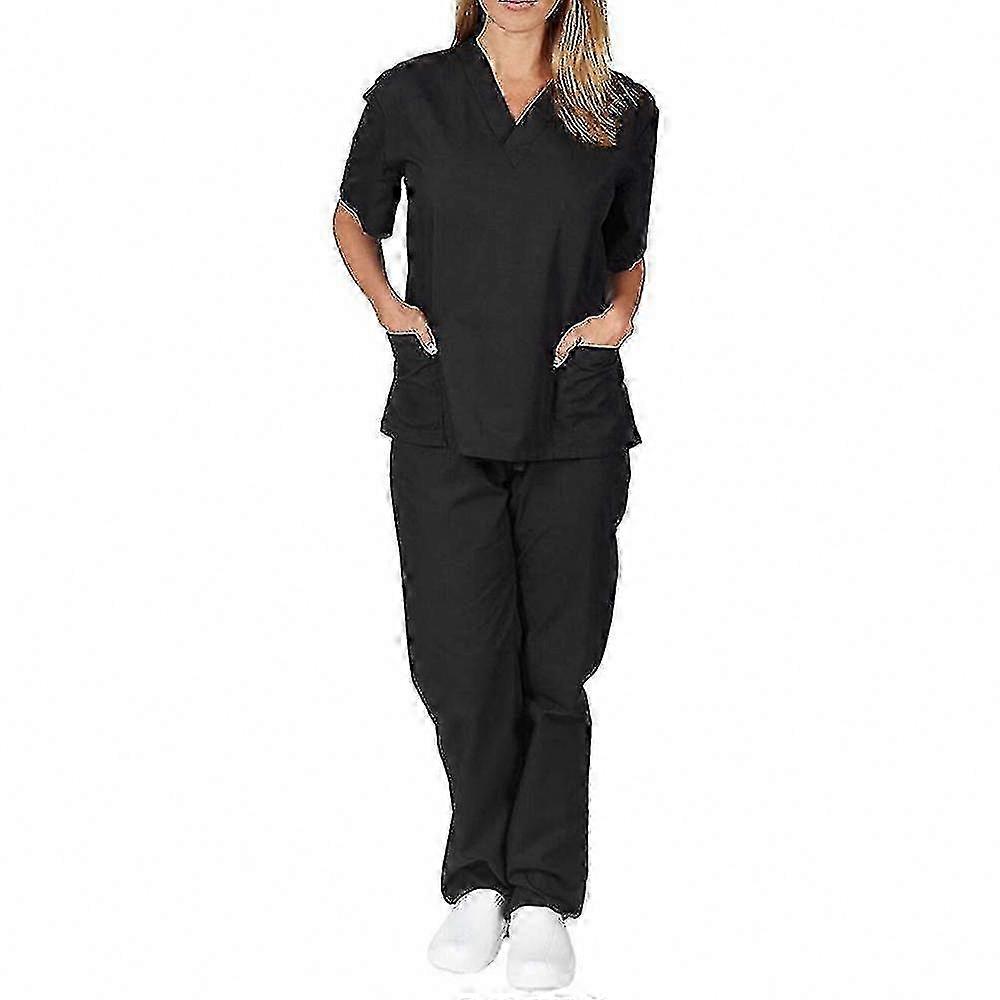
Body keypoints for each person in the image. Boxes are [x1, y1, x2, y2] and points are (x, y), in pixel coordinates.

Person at [333, 0, 657, 989]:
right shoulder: (412, 94)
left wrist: (620, 319)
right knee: (459, 657)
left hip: (571, 414)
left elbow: (626, 250)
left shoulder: (620, 108)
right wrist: (391, 310)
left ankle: (542, 894)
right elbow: (352, 214)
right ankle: (478, 879)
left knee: (556, 662)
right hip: (444, 407)